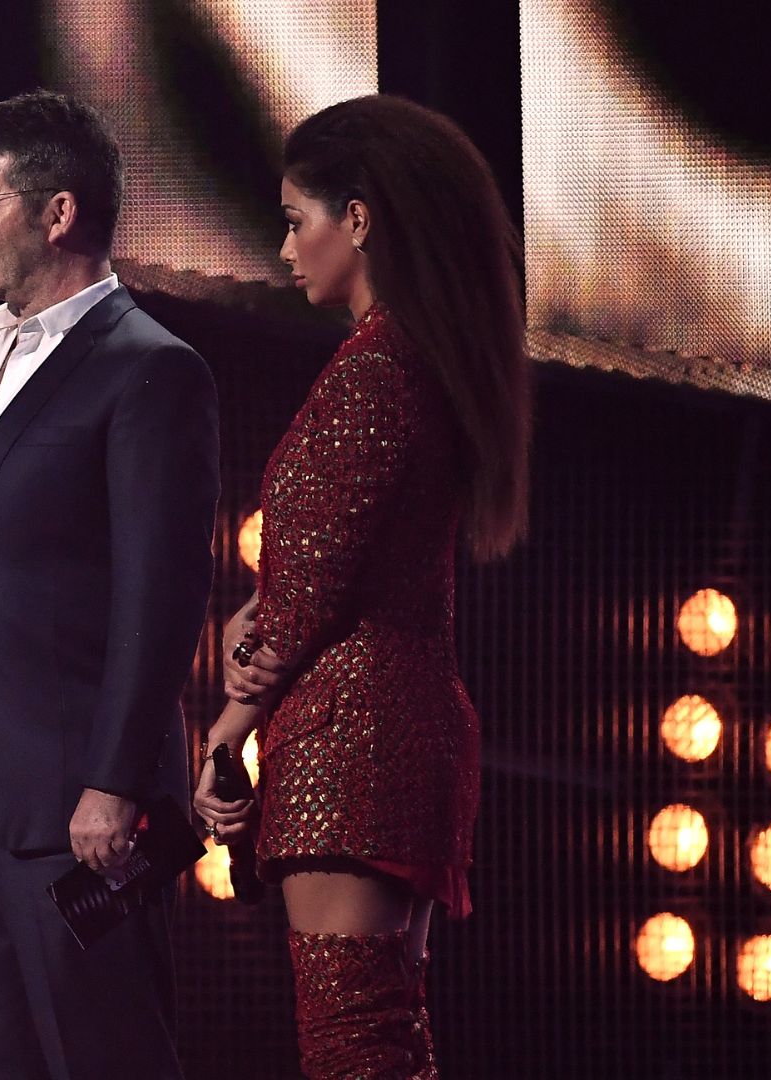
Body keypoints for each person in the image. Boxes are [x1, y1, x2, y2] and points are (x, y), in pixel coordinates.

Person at [192, 94, 531, 1078]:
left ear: (359, 218)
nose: (286, 246)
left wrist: (225, 733)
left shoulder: (376, 374)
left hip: (355, 742)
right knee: (382, 1041)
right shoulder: (417, 368)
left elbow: (304, 601)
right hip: (394, 728)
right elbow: (322, 575)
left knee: (356, 1048)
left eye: (299, 220)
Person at [0, 89, 219, 1080]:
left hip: (86, 819)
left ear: (58, 213)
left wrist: (115, 783)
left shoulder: (150, 372)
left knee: (107, 1059)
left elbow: (162, 597)